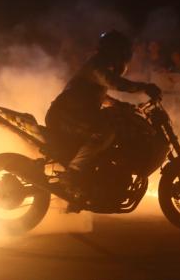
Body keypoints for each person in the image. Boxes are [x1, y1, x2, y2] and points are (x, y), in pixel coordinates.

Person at [45, 30, 162, 193]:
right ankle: (73, 173)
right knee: (104, 132)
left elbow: (100, 95)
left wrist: (121, 105)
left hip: (74, 115)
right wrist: (145, 87)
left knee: (114, 124)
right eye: (123, 52)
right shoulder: (96, 66)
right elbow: (115, 83)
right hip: (66, 116)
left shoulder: (99, 66)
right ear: (114, 51)